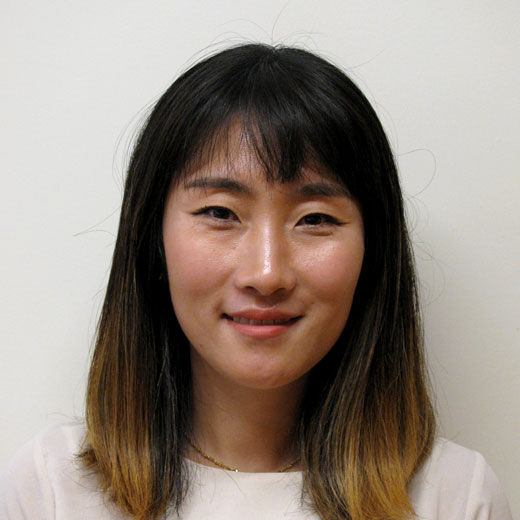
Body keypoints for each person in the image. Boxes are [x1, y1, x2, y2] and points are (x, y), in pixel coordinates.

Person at [0, 43, 512, 520]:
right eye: (220, 213)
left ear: (372, 252)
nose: (267, 274)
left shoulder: (454, 496)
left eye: (315, 219)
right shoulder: (52, 490)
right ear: (153, 240)